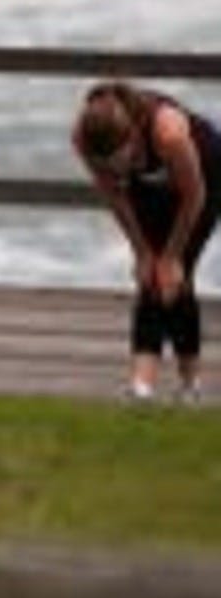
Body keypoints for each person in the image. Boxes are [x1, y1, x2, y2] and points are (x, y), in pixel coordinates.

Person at [73, 81, 220, 403]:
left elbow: (194, 197)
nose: (114, 168)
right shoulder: (84, 140)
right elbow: (114, 194)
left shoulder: (168, 132)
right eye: (107, 164)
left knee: (179, 274)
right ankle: (144, 386)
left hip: (205, 179)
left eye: (119, 158)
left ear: (135, 134)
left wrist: (172, 256)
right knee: (150, 276)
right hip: (152, 182)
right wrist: (142, 252)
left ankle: (189, 383)